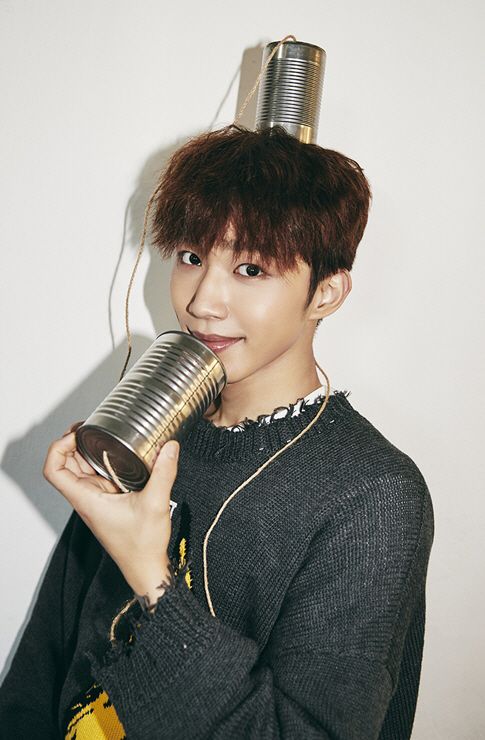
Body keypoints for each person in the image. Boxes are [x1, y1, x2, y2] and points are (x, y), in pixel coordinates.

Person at [0, 126, 433, 739]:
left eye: (250, 268)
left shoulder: (373, 494)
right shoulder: (149, 428)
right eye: (191, 257)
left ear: (326, 293)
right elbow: (45, 663)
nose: (203, 300)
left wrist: (152, 579)